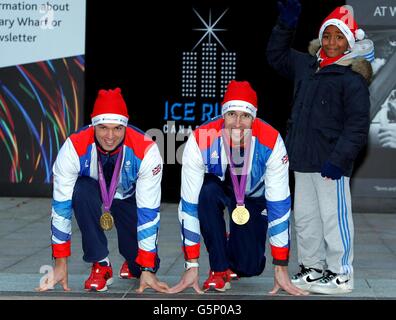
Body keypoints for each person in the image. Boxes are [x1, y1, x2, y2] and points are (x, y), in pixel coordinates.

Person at [267, 0, 373, 294]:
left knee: (334, 219)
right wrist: (285, 25)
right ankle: (313, 268)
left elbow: (356, 127)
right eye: (327, 35)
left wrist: (339, 160)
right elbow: (276, 56)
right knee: (305, 219)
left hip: (331, 165)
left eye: (339, 36)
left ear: (349, 41)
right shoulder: (307, 66)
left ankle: (342, 274)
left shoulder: (352, 79)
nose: (331, 42)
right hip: (302, 159)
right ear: (320, 38)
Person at [169, 80, 308, 296]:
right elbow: (188, 204)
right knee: (205, 194)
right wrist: (191, 264)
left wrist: (281, 266)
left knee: (249, 266)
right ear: (222, 115)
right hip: (218, 186)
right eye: (231, 114)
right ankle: (219, 268)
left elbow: (279, 206)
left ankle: (229, 245)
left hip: (252, 196)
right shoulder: (200, 138)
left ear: (254, 117)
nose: (237, 123)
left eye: (245, 116)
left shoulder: (271, 141)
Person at [37, 88, 169, 293]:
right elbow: (61, 208)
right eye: (103, 128)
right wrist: (60, 263)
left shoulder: (146, 150)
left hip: (128, 197)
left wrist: (147, 267)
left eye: (117, 128)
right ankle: (101, 264)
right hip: (94, 193)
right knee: (81, 190)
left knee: (140, 266)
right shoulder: (74, 147)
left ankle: (132, 262)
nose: (110, 136)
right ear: (93, 126)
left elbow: (149, 213)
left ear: (126, 126)